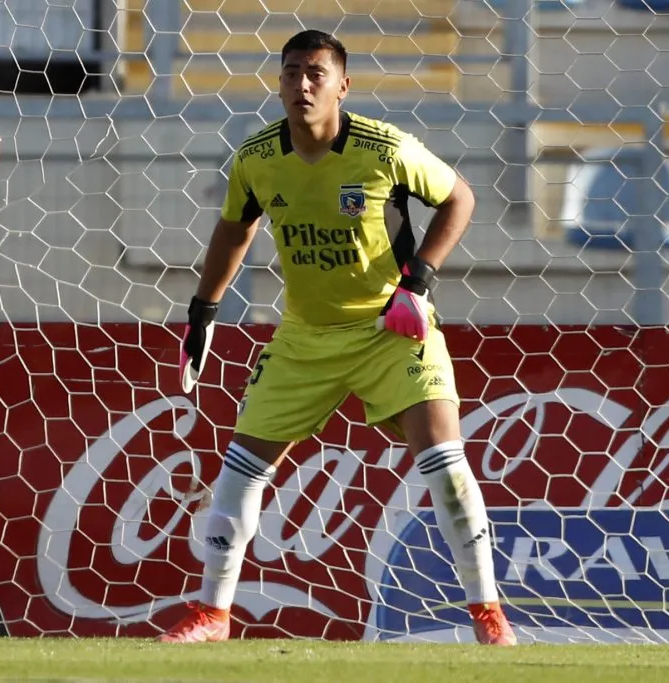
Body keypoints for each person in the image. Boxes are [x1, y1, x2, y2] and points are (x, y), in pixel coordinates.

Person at [166, 29, 516, 646]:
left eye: (316, 73)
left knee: (446, 468)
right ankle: (212, 615)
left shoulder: (384, 148)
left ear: (342, 85)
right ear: (278, 82)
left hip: (391, 330)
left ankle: (490, 618)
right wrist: (203, 309)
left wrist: (420, 283)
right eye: (291, 72)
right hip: (305, 338)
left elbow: (459, 197)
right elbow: (234, 231)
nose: (302, 84)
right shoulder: (256, 159)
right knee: (238, 471)